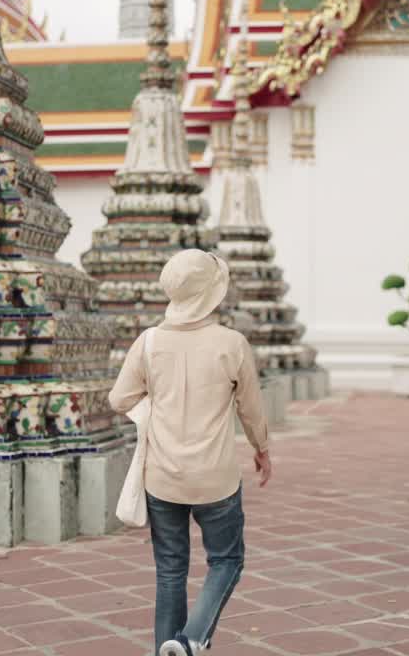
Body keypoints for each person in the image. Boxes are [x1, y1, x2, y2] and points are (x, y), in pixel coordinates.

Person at [109, 248, 272, 656]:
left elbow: (118, 399)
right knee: (227, 560)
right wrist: (262, 449)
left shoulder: (149, 343)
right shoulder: (231, 344)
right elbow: (250, 409)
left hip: (162, 477)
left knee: (170, 571)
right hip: (215, 477)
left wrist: (151, 414)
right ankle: (191, 639)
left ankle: (169, 649)